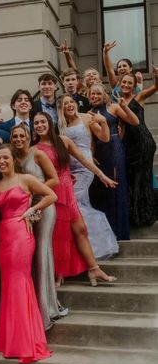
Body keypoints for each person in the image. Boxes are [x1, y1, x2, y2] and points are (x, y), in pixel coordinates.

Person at [33, 112, 117, 287]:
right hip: (53, 193)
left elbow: (84, 160)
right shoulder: (35, 149)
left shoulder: (63, 141)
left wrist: (102, 176)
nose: (39, 125)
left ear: (49, 122)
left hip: (68, 192)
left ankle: (94, 268)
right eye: (36, 123)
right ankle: (58, 273)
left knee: (81, 230)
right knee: (59, 234)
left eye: (42, 121)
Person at [0, 144, 56, 364]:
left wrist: (32, 211)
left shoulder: (26, 179)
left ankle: (25, 341)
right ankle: (11, 340)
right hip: (3, 236)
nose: (1, 161)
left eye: (5, 158)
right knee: (9, 285)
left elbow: (51, 195)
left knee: (20, 283)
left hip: (21, 234)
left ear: (13, 159)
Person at [10, 123, 68, 331]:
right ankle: (32, 303)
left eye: (22, 136)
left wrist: (36, 191)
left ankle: (47, 309)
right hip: (23, 210)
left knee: (42, 252)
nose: (18, 140)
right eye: (15, 136)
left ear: (29, 136)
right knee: (29, 256)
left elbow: (54, 179)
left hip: (43, 207)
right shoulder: (13, 158)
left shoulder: (38, 154)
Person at [57, 93, 119, 259]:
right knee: (81, 204)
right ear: (60, 108)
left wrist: (104, 122)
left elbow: (104, 138)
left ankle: (99, 246)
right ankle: (82, 248)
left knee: (75, 204)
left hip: (85, 168)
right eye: (65, 103)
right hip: (70, 171)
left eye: (71, 102)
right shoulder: (61, 125)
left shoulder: (86, 118)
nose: (69, 105)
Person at [88, 83, 139, 240]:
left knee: (117, 186)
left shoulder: (114, 108)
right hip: (100, 151)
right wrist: (91, 154)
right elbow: (90, 138)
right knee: (104, 189)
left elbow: (135, 122)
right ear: (88, 96)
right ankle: (106, 233)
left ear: (104, 94)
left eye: (98, 94)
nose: (95, 97)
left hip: (115, 149)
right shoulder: (88, 114)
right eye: (92, 94)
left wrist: (125, 107)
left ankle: (119, 232)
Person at [119, 69, 158, 226]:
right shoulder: (118, 102)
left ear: (134, 86)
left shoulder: (139, 97)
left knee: (142, 178)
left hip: (143, 142)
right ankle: (136, 215)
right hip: (130, 144)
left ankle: (144, 215)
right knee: (133, 178)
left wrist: (156, 76)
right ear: (120, 84)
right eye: (124, 82)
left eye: (130, 83)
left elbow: (156, 87)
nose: (126, 85)